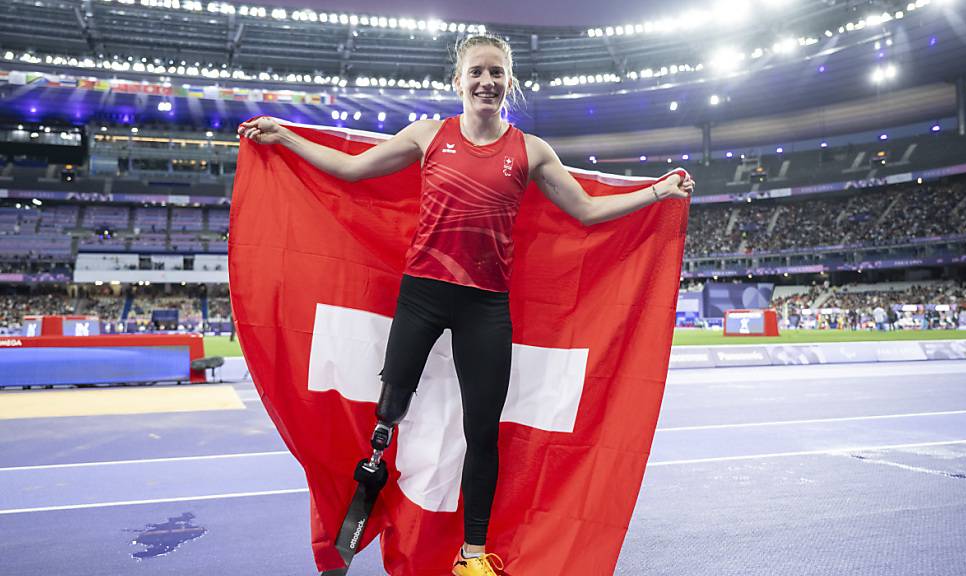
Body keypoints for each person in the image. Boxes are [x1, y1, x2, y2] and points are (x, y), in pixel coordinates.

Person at [239, 33, 694, 576]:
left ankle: (473, 555)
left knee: (482, 431)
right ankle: (364, 496)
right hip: (423, 295)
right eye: (476, 71)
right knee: (387, 411)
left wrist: (657, 192)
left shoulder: (530, 150)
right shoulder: (429, 135)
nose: (486, 81)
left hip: (485, 308)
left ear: (509, 81)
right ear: (458, 81)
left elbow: (586, 210)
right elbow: (351, 171)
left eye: (496, 72)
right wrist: (284, 136)